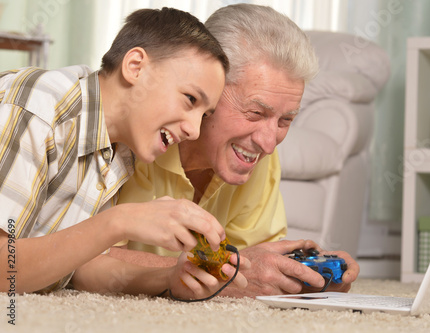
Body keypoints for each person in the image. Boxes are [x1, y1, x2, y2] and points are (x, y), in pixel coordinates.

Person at [0, 7, 249, 300]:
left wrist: (168, 278)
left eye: (204, 115)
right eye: (190, 99)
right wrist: (121, 220)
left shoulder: (121, 150)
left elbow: (80, 268)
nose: (194, 131)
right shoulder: (36, 106)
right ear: (135, 67)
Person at [113, 4, 359, 298]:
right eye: (255, 112)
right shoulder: (136, 133)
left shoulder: (258, 156)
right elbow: (82, 257)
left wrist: (302, 278)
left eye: (286, 120)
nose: (269, 144)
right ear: (210, 86)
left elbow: (254, 264)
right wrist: (220, 274)